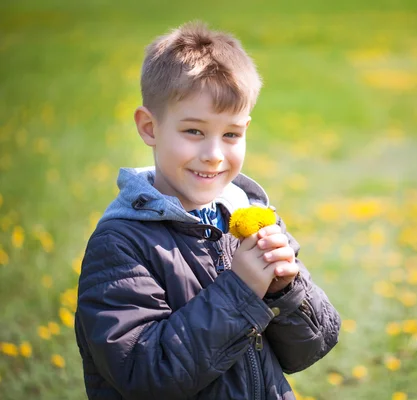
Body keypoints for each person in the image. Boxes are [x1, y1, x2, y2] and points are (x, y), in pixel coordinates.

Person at [74, 21, 341, 400]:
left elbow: (312, 347)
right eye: (194, 132)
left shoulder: (249, 215)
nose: (214, 154)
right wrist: (243, 291)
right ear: (150, 127)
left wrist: (286, 289)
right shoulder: (120, 244)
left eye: (231, 134)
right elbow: (144, 374)